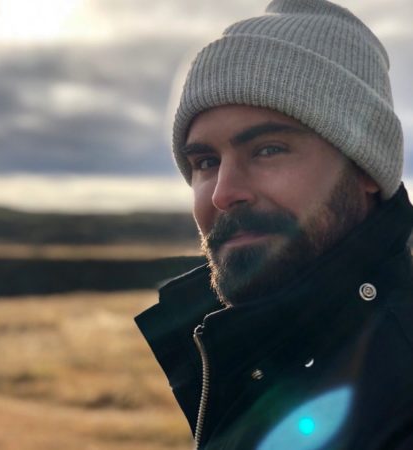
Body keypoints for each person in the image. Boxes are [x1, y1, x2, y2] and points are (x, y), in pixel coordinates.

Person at [135, 0, 413, 449]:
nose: (224, 193)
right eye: (205, 161)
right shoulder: (249, 352)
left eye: (268, 150)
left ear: (365, 167)